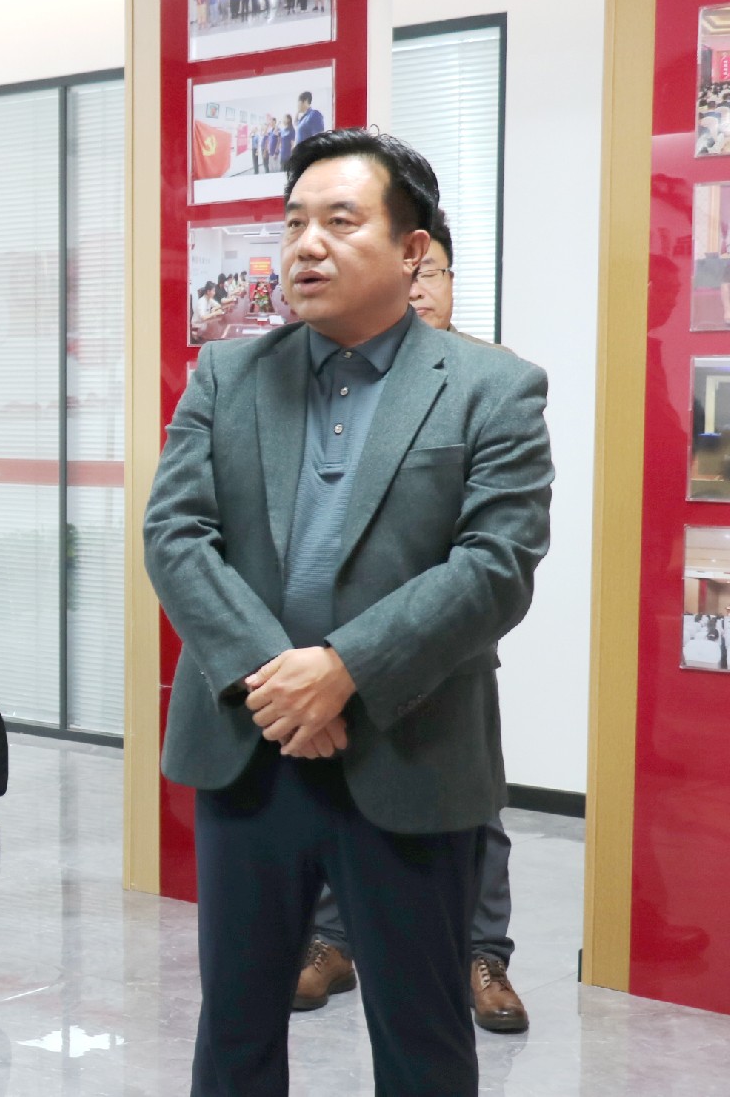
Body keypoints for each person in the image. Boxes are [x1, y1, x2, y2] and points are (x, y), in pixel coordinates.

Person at [143, 128, 553, 1096]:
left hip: (410, 748)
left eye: (338, 220)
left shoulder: (493, 388)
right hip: (251, 747)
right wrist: (277, 679)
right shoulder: (226, 376)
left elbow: (497, 565)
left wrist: (343, 669)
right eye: (293, 224)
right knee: (236, 1030)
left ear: (413, 250)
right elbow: (176, 535)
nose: (306, 245)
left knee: (422, 1040)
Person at [297, 208, 532, 1034]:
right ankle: (333, 940)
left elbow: (499, 540)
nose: (421, 288)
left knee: (473, 802)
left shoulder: (491, 378)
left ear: (445, 276)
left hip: (449, 640)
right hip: (340, 642)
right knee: (339, 783)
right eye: (413, 275)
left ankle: (483, 953)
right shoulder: (345, 377)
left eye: (433, 274)